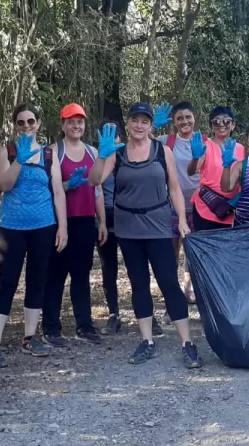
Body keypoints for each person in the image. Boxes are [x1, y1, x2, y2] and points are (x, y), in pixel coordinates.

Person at [88, 103, 204, 368]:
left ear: (152, 126)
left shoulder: (162, 151)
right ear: (127, 124)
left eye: (144, 121)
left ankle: (187, 342)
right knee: (138, 284)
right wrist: (101, 156)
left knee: (168, 282)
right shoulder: (117, 154)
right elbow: (94, 181)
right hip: (128, 228)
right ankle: (147, 341)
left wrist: (183, 221)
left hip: (159, 225)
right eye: (134, 120)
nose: (139, 126)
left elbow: (174, 188)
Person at [0, 105, 66, 368]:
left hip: (44, 225)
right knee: (7, 281)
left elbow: (58, 192)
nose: (26, 126)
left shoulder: (49, 154)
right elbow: (3, 183)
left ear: (38, 123)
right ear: (15, 125)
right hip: (12, 228)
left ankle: (30, 336)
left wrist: (62, 226)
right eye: (21, 122)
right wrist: (20, 158)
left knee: (37, 280)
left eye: (31, 121)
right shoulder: (8, 151)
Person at [42, 103, 108, 346]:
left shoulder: (92, 152)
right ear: (62, 125)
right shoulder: (53, 151)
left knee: (81, 274)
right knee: (56, 274)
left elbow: (97, 188)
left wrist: (101, 221)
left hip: (84, 220)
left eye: (80, 121)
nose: (76, 125)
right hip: (59, 222)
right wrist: (69, 184)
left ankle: (84, 325)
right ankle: (50, 326)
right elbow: (48, 189)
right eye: (71, 121)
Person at [153, 101, 199, 304]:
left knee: (193, 250)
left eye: (188, 117)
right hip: (172, 206)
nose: (184, 121)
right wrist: (153, 124)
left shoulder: (204, 140)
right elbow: (141, 142)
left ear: (194, 118)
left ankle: (190, 288)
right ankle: (171, 290)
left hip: (201, 206)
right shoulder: (167, 141)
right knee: (172, 249)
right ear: (174, 122)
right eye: (179, 118)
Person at [187, 106, 246, 231]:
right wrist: (195, 157)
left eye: (226, 121)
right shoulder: (206, 147)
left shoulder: (241, 149)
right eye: (216, 121)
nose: (221, 124)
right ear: (211, 126)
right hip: (207, 206)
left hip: (231, 208)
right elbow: (191, 172)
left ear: (233, 125)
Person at [97, 120, 124, 334]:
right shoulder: (98, 157)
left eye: (114, 134)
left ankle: (147, 314)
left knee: (137, 266)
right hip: (104, 216)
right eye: (107, 133)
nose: (111, 137)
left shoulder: (129, 156)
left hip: (128, 217)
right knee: (109, 267)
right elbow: (94, 183)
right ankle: (113, 313)